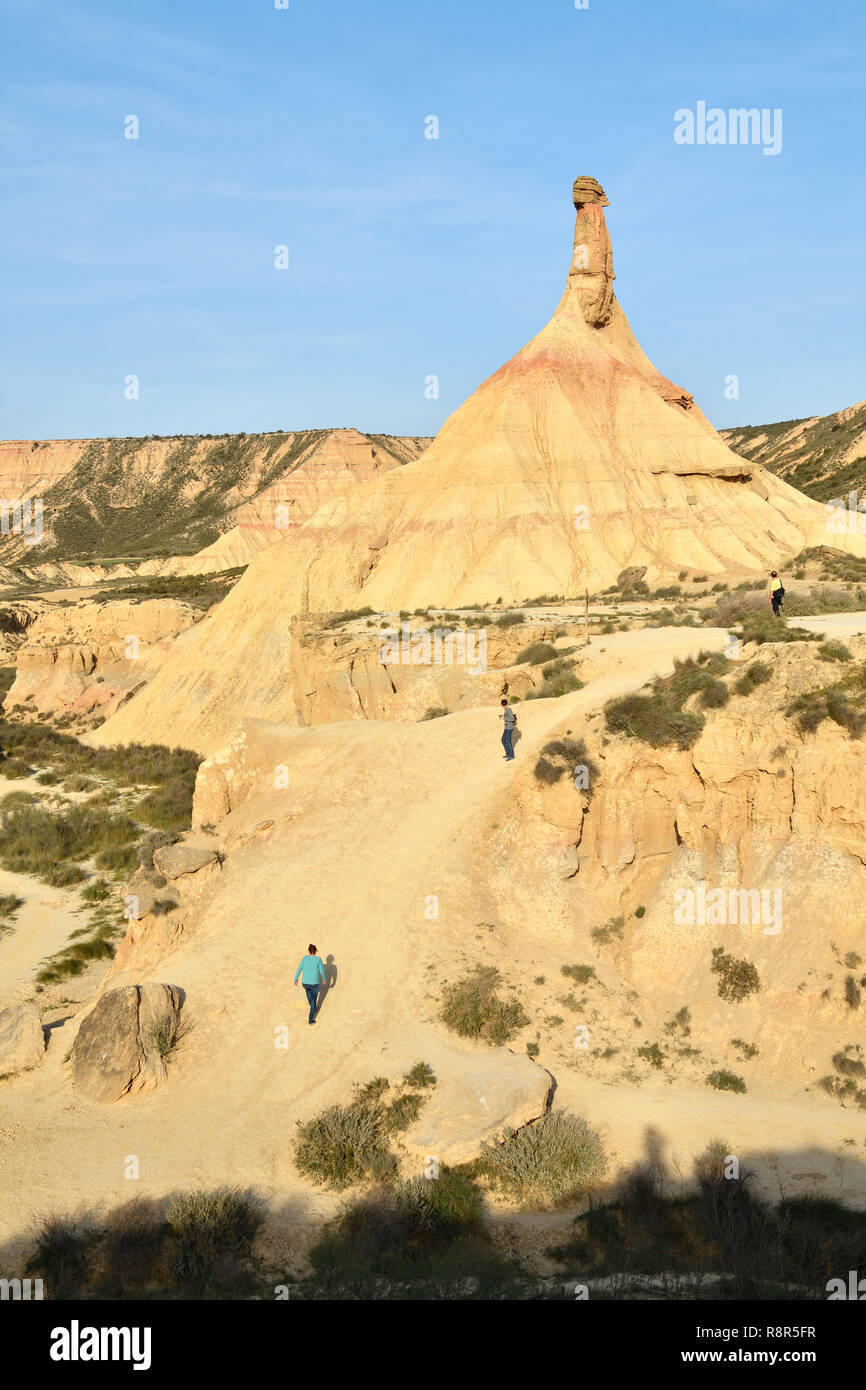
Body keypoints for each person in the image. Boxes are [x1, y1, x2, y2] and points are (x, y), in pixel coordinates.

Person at [294, 943, 326, 1024]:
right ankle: (310, 1019)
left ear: (309, 951)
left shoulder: (304, 958)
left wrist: (295, 979)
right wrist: (324, 979)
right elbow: (322, 971)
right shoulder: (318, 959)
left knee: (309, 995)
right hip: (314, 983)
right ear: (315, 951)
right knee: (313, 1001)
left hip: (305, 983)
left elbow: (299, 968)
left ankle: (312, 1006)